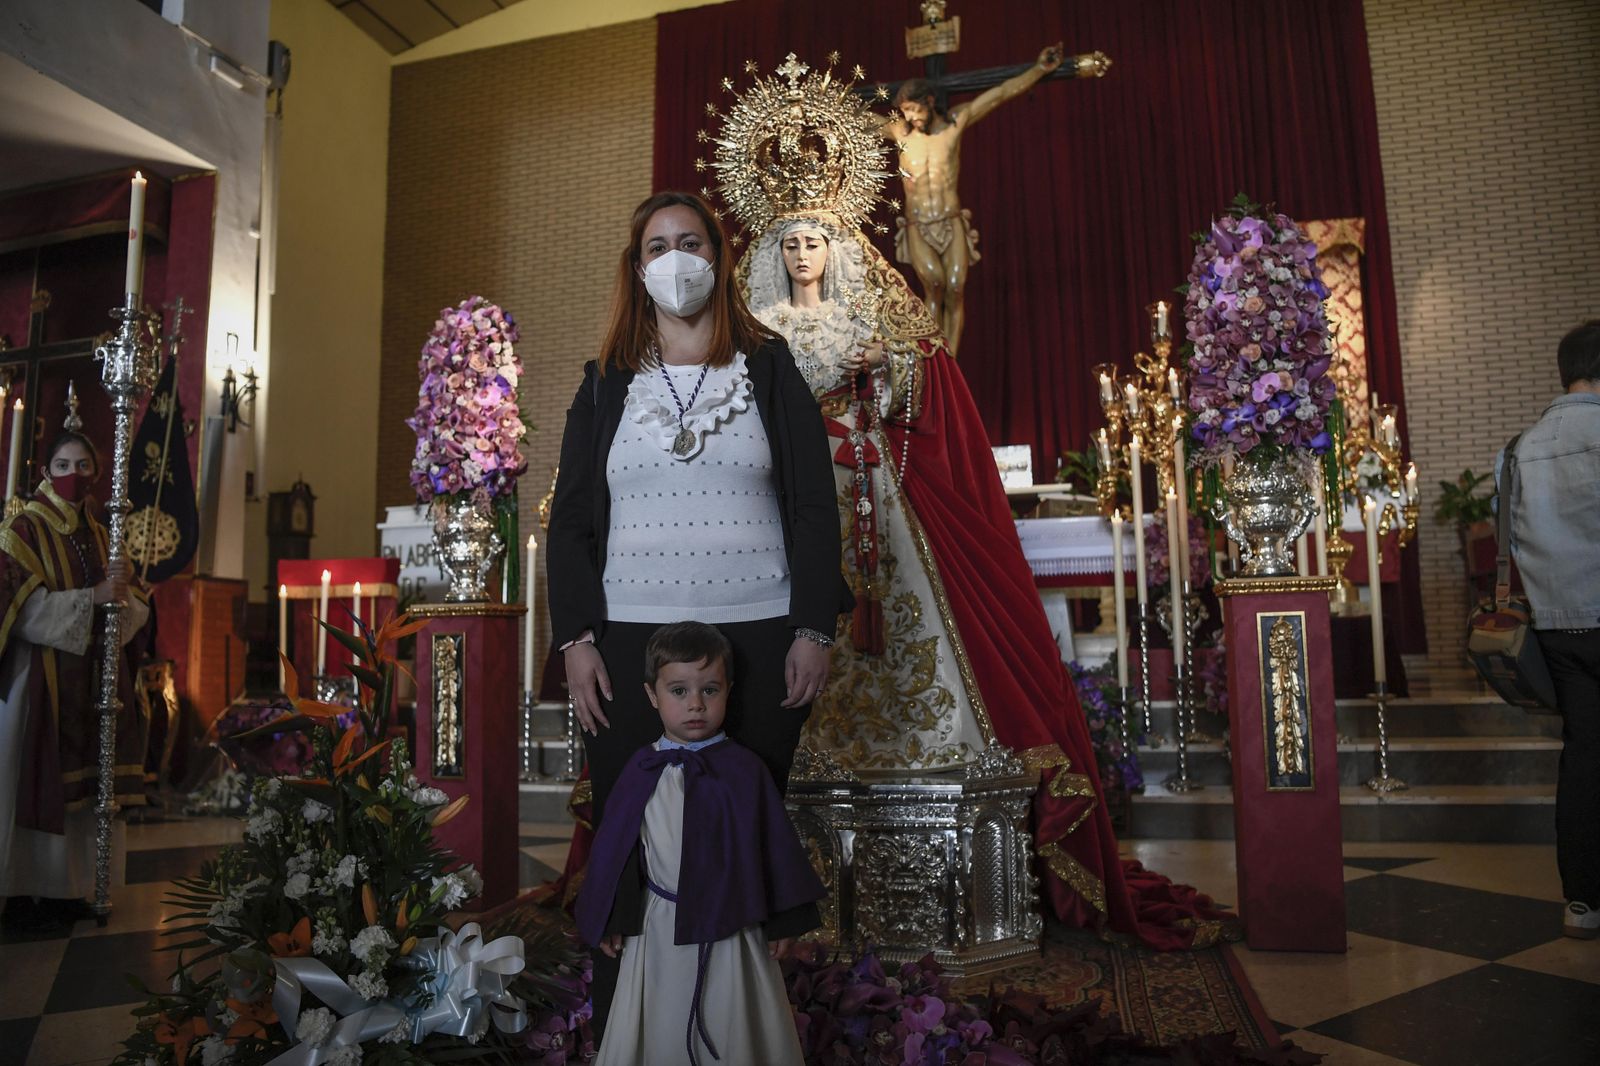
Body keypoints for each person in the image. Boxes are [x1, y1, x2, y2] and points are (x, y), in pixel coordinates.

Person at [546, 190, 848, 1030]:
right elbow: (569, 518)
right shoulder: (606, 382)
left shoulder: (770, 364)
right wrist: (575, 639)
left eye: (690, 242)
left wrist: (812, 626)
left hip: (755, 633)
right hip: (627, 640)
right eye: (656, 246)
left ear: (718, 256)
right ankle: (632, 1036)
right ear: (635, 268)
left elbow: (815, 507)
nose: (674, 259)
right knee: (631, 852)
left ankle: (736, 1034)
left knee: (735, 848)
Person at [577, 621, 821, 1066]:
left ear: (729, 690)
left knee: (734, 1025)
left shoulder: (743, 771)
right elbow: (617, 852)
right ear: (652, 695)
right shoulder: (641, 770)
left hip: (733, 930)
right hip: (658, 930)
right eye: (679, 691)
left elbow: (774, 848)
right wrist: (611, 915)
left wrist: (785, 921)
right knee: (660, 1027)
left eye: (710, 690)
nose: (695, 704)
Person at [0, 429, 150, 930]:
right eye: (63, 466)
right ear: (45, 471)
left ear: (96, 472)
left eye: (83, 466)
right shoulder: (24, 529)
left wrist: (121, 596)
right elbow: (24, 612)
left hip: (90, 682)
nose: (73, 476)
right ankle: (24, 889)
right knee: (36, 779)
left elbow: (131, 609)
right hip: (38, 682)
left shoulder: (103, 532)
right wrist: (95, 599)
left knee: (88, 792)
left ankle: (72, 889)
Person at [1499, 319, 1600, 940]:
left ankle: (1583, 902)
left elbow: (1509, 536)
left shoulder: (1519, 449)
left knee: (1584, 755)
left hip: (1560, 631)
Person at [882, 43, 1065, 355]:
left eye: (916, 110)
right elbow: (856, 118)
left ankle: (950, 360)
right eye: (906, 111)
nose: (910, 117)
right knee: (934, 285)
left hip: (951, 220)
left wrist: (1039, 70)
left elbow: (1000, 94)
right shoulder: (899, 133)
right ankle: (932, 358)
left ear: (930, 102)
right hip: (917, 223)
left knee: (955, 288)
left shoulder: (954, 124)